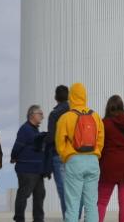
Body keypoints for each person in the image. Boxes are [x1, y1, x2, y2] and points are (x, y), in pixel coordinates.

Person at [54, 83, 104, 222]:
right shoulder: (96, 116)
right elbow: (100, 139)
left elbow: (59, 141)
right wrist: (96, 153)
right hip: (93, 161)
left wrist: (66, 156)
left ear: (71, 97)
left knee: (73, 205)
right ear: (84, 96)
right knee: (91, 205)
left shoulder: (66, 117)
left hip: (74, 161)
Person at [11, 105, 46, 222]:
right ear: (32, 115)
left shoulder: (35, 130)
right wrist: (13, 157)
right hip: (27, 170)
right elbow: (17, 147)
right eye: (40, 114)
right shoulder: (25, 129)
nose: (42, 116)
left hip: (38, 170)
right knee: (24, 195)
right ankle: (19, 219)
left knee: (39, 196)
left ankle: (38, 219)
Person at [44, 85, 70, 216]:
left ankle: (69, 218)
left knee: (63, 190)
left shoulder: (54, 114)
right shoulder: (75, 112)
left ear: (55, 97)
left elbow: (50, 138)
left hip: (58, 155)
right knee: (75, 189)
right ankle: (75, 216)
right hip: (75, 155)